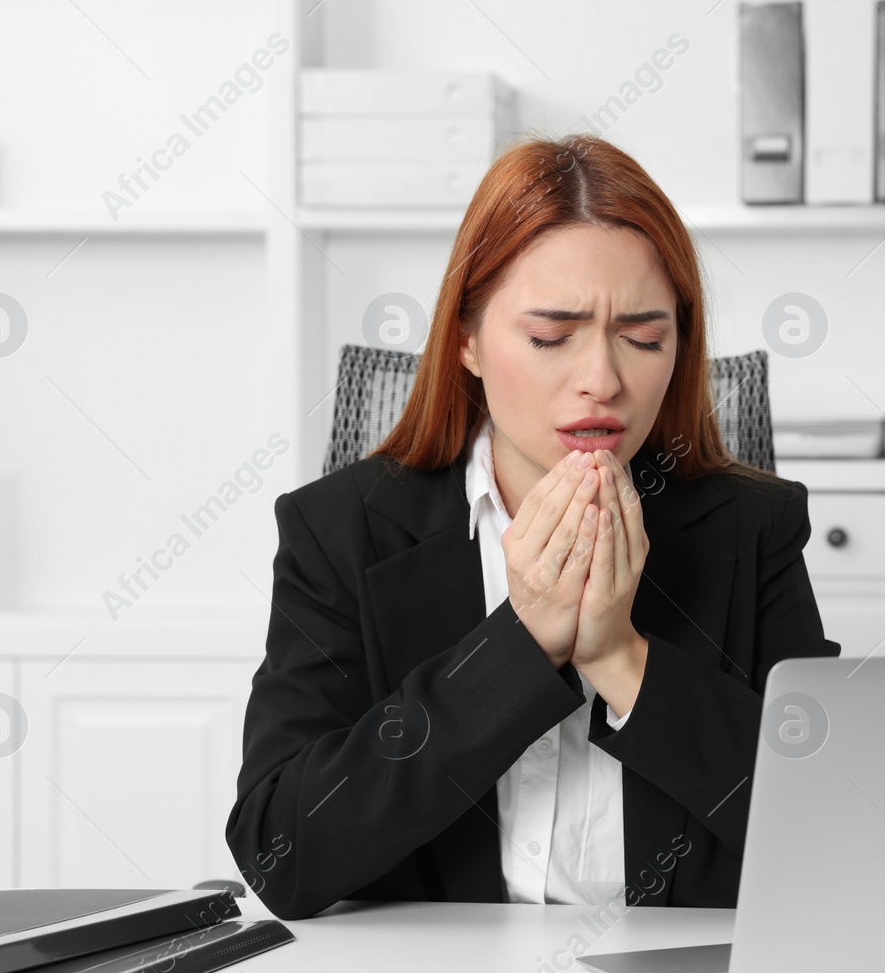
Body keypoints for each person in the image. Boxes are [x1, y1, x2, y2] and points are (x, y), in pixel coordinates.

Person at [226, 132, 840, 921]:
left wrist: (623, 658)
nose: (603, 381)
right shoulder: (339, 529)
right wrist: (520, 645)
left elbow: (828, 834)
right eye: (552, 337)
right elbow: (283, 851)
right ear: (467, 340)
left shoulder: (757, 526)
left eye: (645, 338)